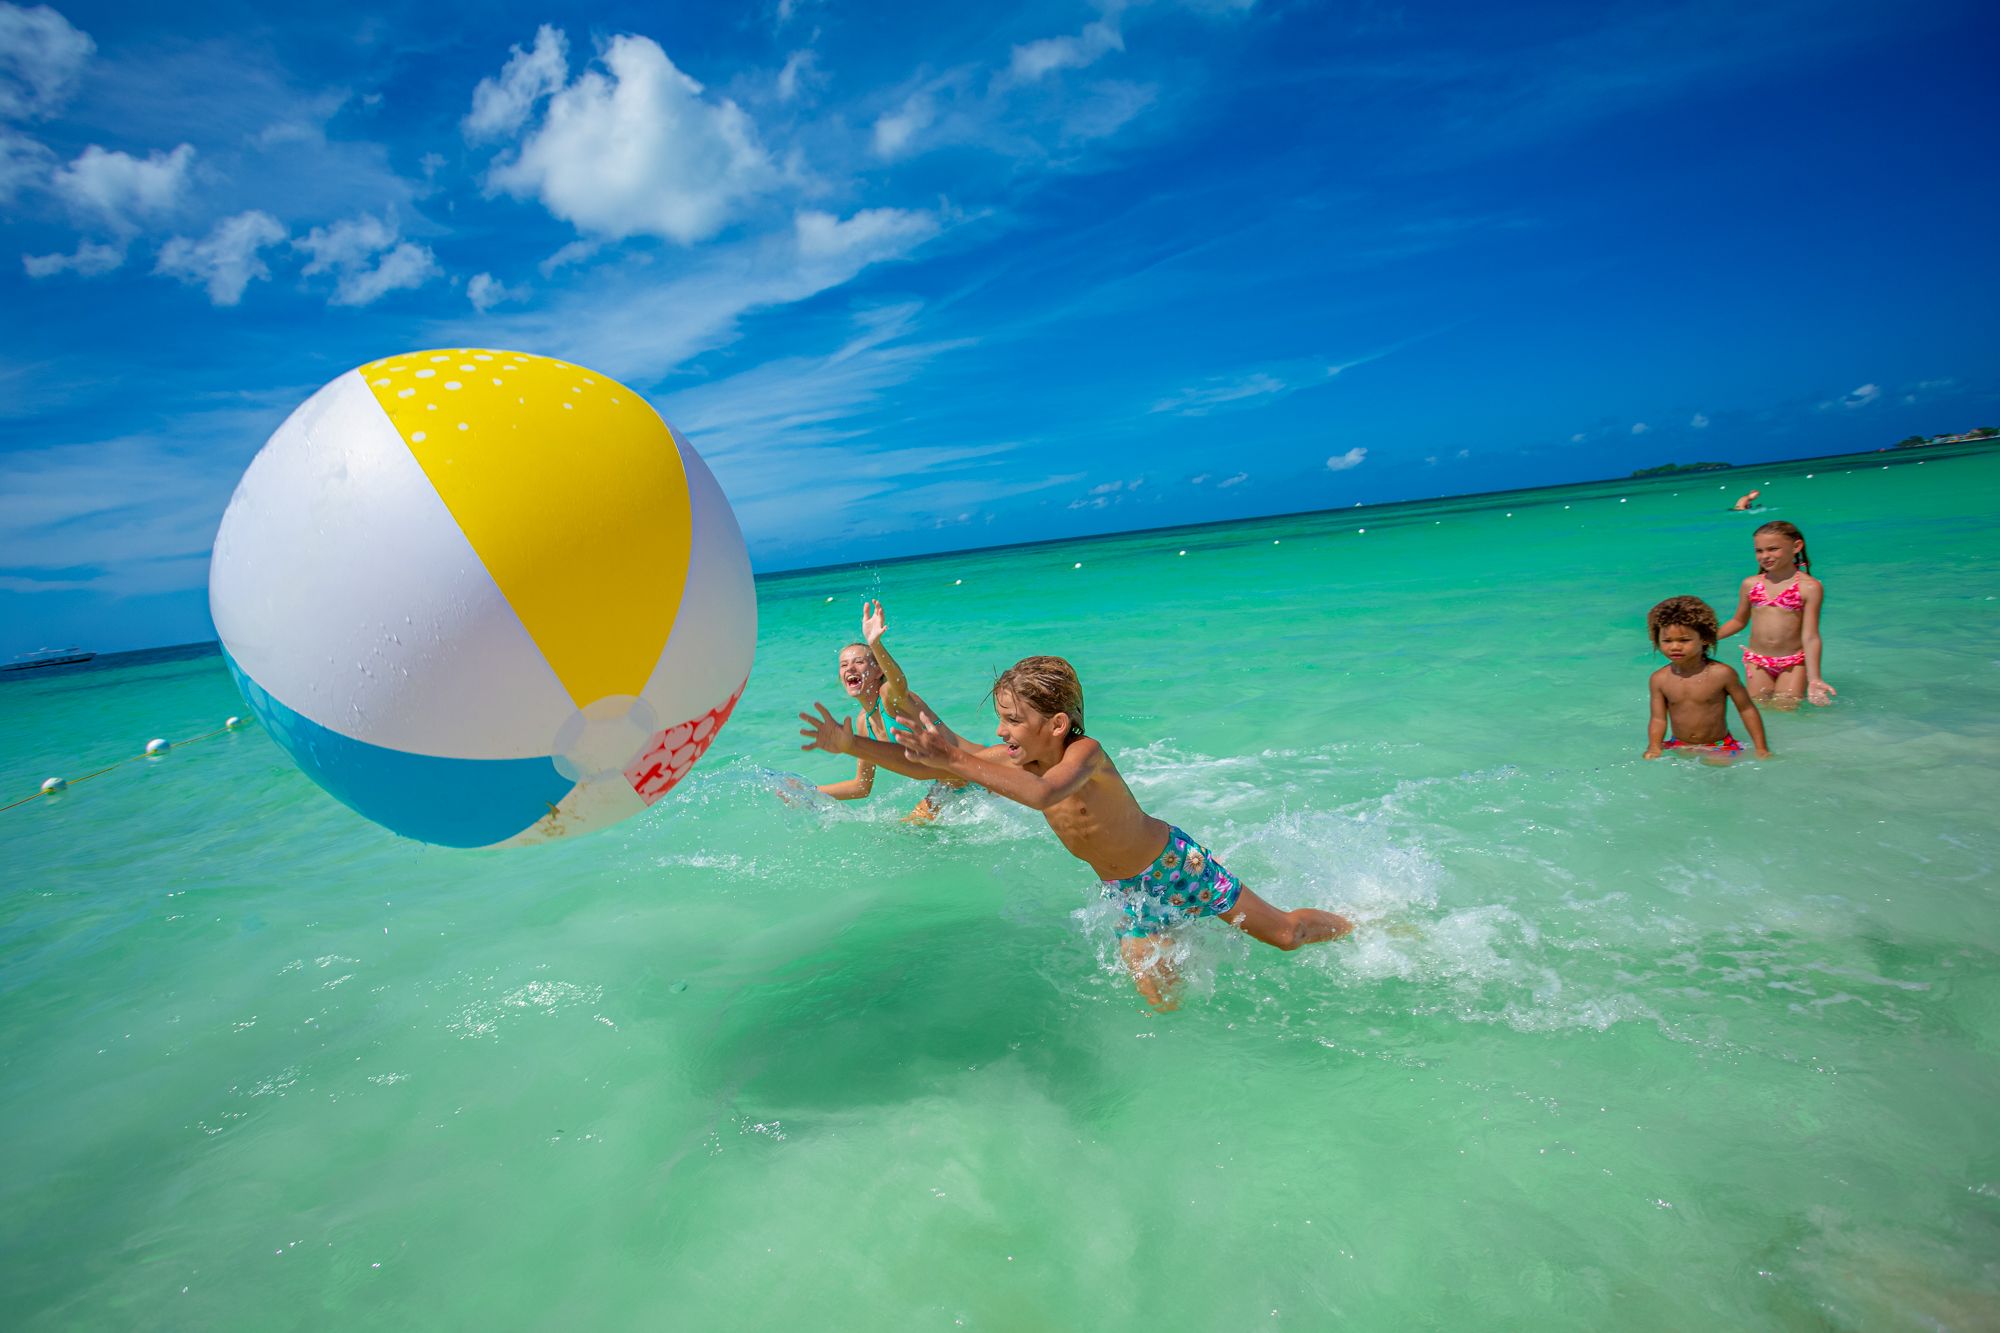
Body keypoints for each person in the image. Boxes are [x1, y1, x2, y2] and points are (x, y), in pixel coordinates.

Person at [798, 655, 1353, 1009]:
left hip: (1176, 867)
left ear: (1056, 724)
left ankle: (1362, 926)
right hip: (1129, 890)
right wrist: (853, 747)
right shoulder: (1016, 756)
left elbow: (1043, 793)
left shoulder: (1085, 755)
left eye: (1012, 720)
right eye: (1000, 718)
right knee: (1157, 991)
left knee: (1283, 936)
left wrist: (958, 761)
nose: (1000, 730)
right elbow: (935, 766)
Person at [1715, 519, 1835, 708]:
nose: (1765, 556)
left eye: (1773, 549)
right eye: (1759, 551)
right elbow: (1738, 621)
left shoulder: (1809, 587)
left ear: (1796, 546)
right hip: (1757, 661)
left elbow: (1810, 636)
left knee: (1786, 708)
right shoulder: (1751, 584)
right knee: (1760, 708)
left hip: (1793, 663)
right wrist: (1708, 638)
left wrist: (1815, 678)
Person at [1644, 595, 1772, 761]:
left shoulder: (1722, 674)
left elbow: (1746, 709)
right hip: (1679, 744)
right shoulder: (1659, 679)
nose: (1675, 646)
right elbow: (1658, 719)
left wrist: (1761, 748)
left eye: (1684, 640)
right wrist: (1654, 747)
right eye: (1667, 641)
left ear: (1704, 638)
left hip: (1719, 746)